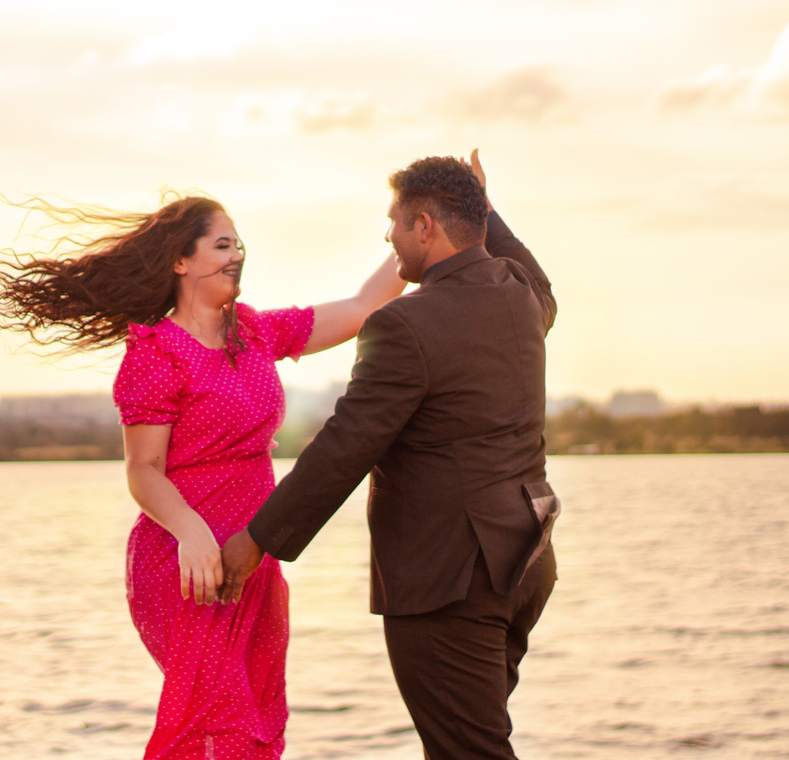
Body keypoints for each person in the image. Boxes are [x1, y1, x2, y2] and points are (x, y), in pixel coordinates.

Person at [0, 193, 406, 759]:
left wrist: (429, 225)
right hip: (185, 565)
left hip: (252, 559)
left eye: (238, 245)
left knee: (257, 725)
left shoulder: (255, 333)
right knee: (219, 727)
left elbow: (364, 305)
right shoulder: (156, 352)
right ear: (180, 260)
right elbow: (142, 470)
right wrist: (192, 532)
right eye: (222, 245)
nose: (237, 256)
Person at [220, 152, 560, 760]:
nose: (388, 237)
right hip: (525, 564)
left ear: (424, 226)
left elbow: (346, 445)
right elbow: (542, 286)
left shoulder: (406, 323)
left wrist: (257, 539)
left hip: (449, 579)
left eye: (395, 222)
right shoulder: (520, 294)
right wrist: (484, 205)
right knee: (474, 743)